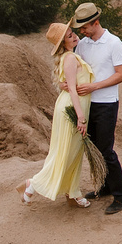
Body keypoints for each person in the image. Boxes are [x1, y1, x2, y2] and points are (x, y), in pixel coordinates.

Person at [22, 25, 99, 207]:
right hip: (73, 109)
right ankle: (33, 183)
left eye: (73, 34)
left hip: (76, 107)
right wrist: (80, 117)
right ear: (63, 44)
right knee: (65, 152)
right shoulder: (70, 57)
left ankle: (73, 191)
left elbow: (67, 84)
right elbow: (72, 88)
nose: (74, 37)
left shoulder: (71, 56)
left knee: (74, 152)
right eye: (70, 36)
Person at [70, 1, 122, 214]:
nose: (82, 31)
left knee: (106, 150)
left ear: (95, 22)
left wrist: (94, 86)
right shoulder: (83, 44)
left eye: (85, 27)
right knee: (94, 148)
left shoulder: (114, 43)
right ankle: (105, 186)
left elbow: (121, 74)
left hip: (106, 103)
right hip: (89, 103)